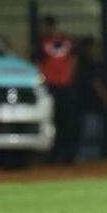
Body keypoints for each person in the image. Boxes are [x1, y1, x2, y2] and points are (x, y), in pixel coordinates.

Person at [35, 14, 77, 164]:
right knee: (61, 122)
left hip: (55, 87)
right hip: (60, 86)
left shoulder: (44, 43)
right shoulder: (66, 41)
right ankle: (61, 156)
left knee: (60, 122)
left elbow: (37, 64)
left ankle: (60, 157)